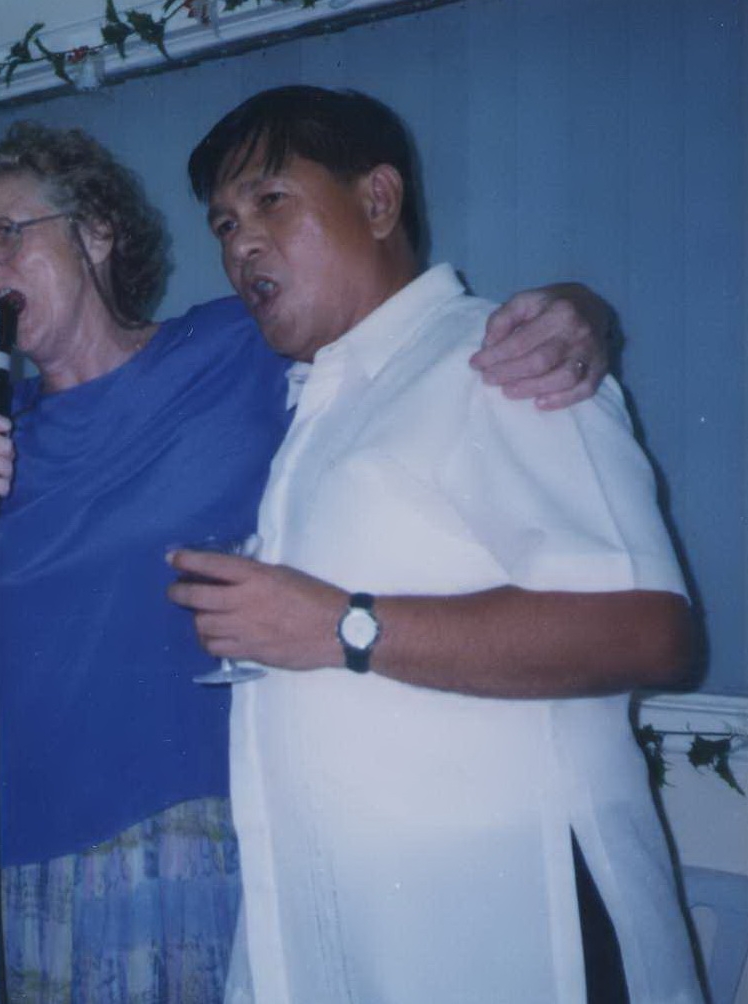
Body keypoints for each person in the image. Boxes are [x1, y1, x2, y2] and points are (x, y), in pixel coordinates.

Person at [0, 120, 618, 1003]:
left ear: (96, 231)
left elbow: (405, 333)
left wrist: (580, 310)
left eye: (8, 233)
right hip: (20, 865)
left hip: (189, 840)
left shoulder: (234, 350)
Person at [169, 86, 703, 1003]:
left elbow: (652, 632)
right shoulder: (327, 400)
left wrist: (342, 627)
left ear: (378, 200)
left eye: (270, 201)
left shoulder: (500, 359)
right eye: (223, 223)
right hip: (372, 943)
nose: (240, 244)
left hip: (524, 936)